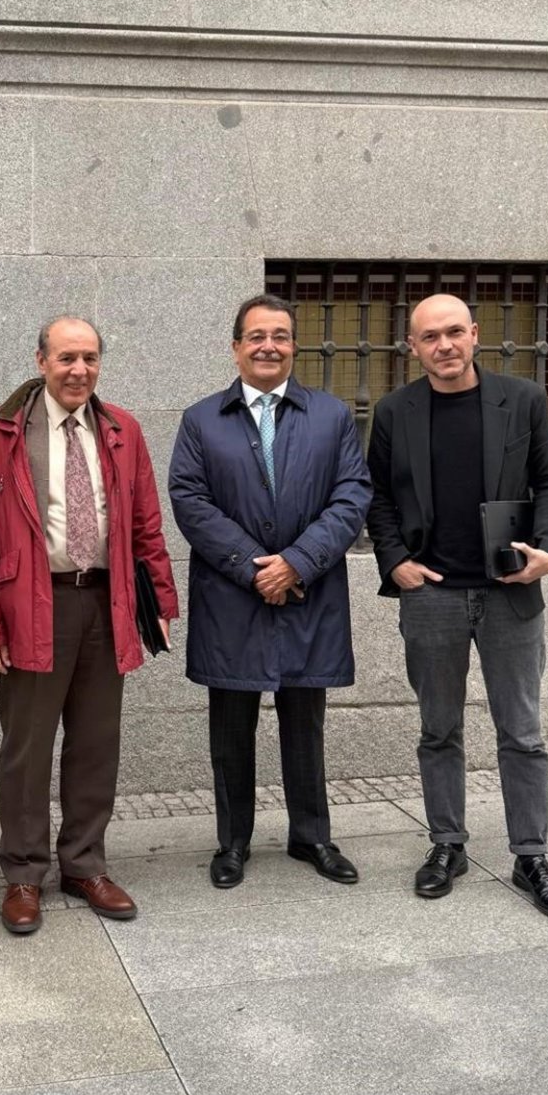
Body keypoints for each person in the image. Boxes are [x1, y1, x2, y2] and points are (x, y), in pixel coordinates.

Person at [0, 316, 177, 936]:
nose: (78, 370)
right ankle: (24, 873)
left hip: (106, 602)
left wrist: (161, 602)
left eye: (89, 358)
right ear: (41, 361)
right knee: (26, 748)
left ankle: (84, 864)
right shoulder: (0, 429)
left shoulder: (122, 430)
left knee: (96, 742)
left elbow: (145, 524)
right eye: (66, 358)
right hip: (33, 604)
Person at [367, 293, 548, 919]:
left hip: (509, 590)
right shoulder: (395, 411)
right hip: (431, 594)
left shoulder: (523, 399)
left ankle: (531, 855)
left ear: (476, 334)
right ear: (412, 346)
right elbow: (377, 496)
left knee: (523, 732)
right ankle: (447, 844)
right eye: (430, 337)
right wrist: (394, 560)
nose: (445, 345)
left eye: (454, 332)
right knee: (439, 729)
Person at [169, 294, 371, 891]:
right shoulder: (201, 420)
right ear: (235, 347)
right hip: (233, 599)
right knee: (231, 731)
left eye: (280, 335)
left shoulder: (331, 416)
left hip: (309, 594)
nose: (268, 346)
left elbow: (352, 495)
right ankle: (233, 842)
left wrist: (297, 564)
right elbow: (189, 500)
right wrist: (256, 569)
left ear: (294, 346)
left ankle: (311, 835)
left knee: (305, 725)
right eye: (256, 336)